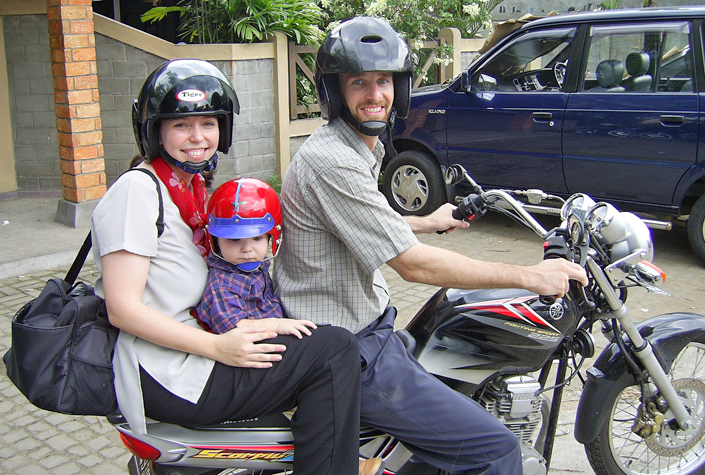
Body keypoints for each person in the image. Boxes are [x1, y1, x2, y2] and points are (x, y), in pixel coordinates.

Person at [274, 17, 589, 475]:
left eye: (383, 81)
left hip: (364, 328)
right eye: (358, 82)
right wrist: (531, 276)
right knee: (495, 451)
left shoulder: (359, 146)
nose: (374, 94)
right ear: (335, 92)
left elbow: (357, 221)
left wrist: (423, 221)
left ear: (399, 89)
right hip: (351, 348)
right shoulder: (332, 160)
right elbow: (415, 268)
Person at [91, 59, 372, 475]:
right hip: (171, 370)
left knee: (318, 335)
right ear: (155, 131)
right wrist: (217, 347)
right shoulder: (137, 191)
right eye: (181, 125)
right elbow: (122, 309)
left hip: (195, 351)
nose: (197, 138)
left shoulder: (191, 190)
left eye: (208, 123)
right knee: (335, 352)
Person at [195, 177, 315, 338]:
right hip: (252, 345)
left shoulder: (254, 264)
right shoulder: (223, 285)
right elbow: (232, 326)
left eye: (257, 238)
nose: (247, 249)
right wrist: (277, 324)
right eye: (234, 239)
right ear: (215, 240)